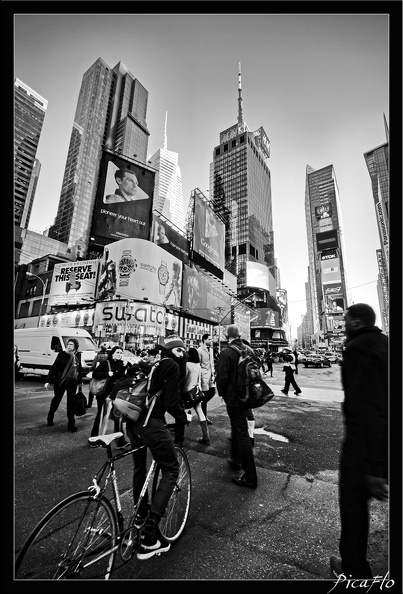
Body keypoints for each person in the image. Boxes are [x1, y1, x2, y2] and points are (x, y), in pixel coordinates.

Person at [330, 304, 388, 580]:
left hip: (363, 445)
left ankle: (353, 570)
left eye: (345, 320)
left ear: (356, 322)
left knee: (353, 506)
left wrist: (375, 466)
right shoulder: (386, 344)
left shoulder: (357, 349)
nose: (342, 325)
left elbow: (368, 407)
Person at [125, 335, 188, 560]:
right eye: (183, 351)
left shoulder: (153, 363)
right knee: (171, 469)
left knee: (139, 469)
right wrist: (183, 417)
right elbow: (171, 401)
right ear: (177, 351)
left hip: (132, 421)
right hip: (150, 423)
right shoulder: (171, 365)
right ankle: (150, 536)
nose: (185, 355)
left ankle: (140, 515)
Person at [215, 324, 258, 489]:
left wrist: (222, 394)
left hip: (234, 399)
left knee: (241, 434)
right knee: (238, 427)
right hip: (247, 395)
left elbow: (222, 378)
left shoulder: (227, 352)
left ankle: (250, 477)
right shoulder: (248, 350)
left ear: (227, 335)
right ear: (239, 334)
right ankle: (235, 460)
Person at [89, 345, 129, 448]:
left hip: (116, 394)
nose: (120, 355)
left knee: (117, 416)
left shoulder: (121, 364)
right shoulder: (105, 363)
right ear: (112, 354)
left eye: (121, 353)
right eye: (118, 352)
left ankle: (120, 440)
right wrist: (107, 373)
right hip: (104, 393)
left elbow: (121, 377)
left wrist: (125, 367)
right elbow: (95, 374)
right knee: (101, 415)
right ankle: (94, 439)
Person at [45, 338, 83, 432]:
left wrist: (80, 381)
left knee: (71, 402)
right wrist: (48, 381)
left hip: (72, 382)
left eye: (71, 344)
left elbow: (79, 369)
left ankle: (71, 424)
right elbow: (54, 367)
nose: (69, 346)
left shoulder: (77, 355)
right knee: (57, 399)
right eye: (68, 344)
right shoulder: (62, 354)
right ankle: (50, 416)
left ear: (75, 347)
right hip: (60, 381)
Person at [183, 347, 210, 445]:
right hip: (196, 392)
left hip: (187, 392)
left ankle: (184, 425)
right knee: (200, 412)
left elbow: (184, 379)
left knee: (181, 410)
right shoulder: (198, 365)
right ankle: (206, 436)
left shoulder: (187, 365)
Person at [197, 334, 216, 425]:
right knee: (204, 396)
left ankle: (200, 404)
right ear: (204, 340)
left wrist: (213, 373)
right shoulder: (199, 350)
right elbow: (198, 364)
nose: (211, 340)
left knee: (213, 392)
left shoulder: (211, 350)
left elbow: (211, 362)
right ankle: (204, 416)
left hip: (211, 376)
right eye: (209, 339)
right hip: (203, 376)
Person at [86, 343, 108, 408]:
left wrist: (90, 370)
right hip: (104, 374)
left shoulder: (98, 356)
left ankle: (90, 403)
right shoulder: (108, 356)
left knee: (92, 388)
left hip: (96, 373)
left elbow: (93, 365)